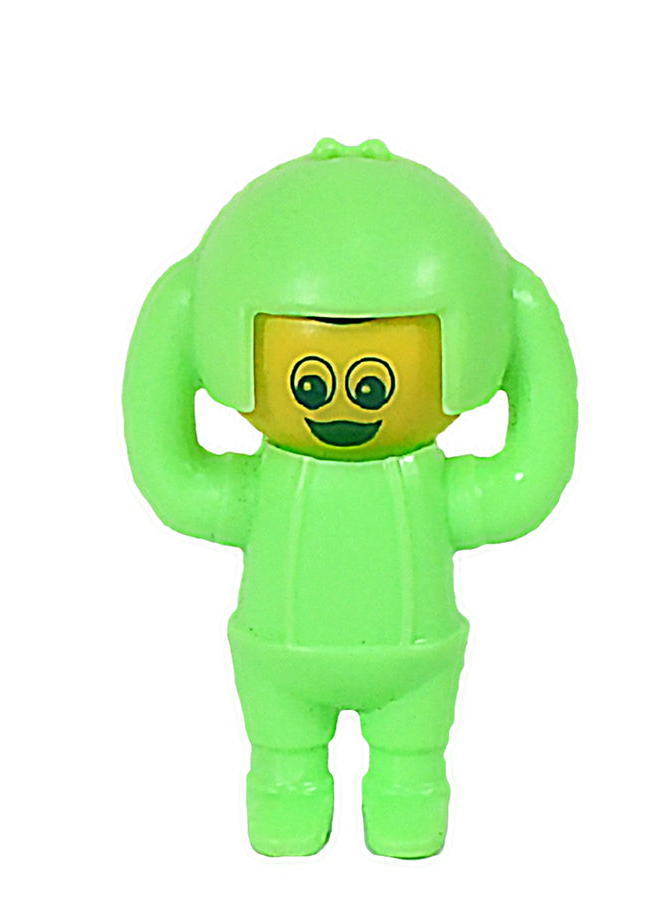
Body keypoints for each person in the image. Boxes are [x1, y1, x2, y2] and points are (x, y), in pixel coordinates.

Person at [123, 138, 578, 858]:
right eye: (310, 378)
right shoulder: (268, 487)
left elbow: (523, 489)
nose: (341, 402)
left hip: (413, 669)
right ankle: (288, 789)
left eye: (370, 382)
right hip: (281, 666)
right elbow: (176, 482)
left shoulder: (423, 484)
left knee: (411, 779)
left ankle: (403, 794)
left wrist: (527, 314)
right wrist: (174, 314)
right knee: (284, 773)